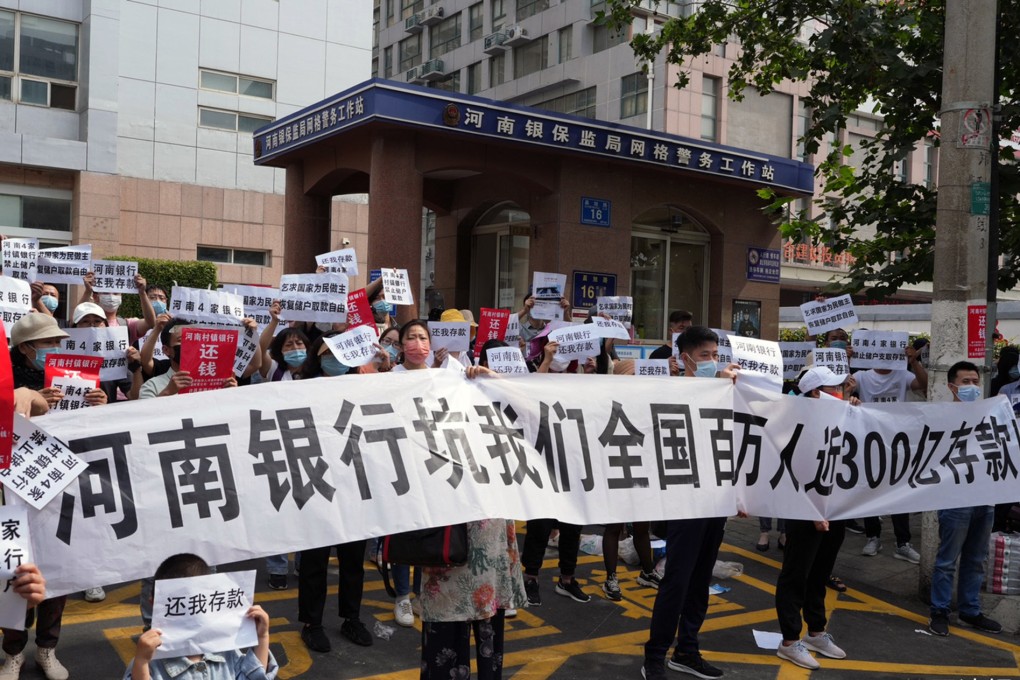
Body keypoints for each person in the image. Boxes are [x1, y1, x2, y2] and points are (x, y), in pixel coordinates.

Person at [643, 326, 738, 680]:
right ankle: (655, 654)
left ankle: (687, 650)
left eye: (716, 355)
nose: (713, 361)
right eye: (705, 356)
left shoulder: (725, 391)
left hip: (715, 499)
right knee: (677, 581)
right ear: (685, 359)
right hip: (684, 501)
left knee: (700, 580)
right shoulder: (671, 391)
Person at [297, 333, 374, 652]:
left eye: (341, 353)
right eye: (328, 353)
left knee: (352, 560)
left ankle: (351, 618)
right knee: (315, 560)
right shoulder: (301, 388)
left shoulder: (363, 385)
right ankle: (311, 623)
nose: (335, 358)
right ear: (317, 356)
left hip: (354, 483)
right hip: (318, 482)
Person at [774, 366, 853, 670]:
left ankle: (816, 631)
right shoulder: (798, 423)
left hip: (835, 509)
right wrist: (812, 511)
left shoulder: (840, 417)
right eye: (834, 388)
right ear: (816, 393)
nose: (841, 392)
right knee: (796, 573)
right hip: (806, 510)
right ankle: (790, 640)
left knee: (820, 573)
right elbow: (792, 473)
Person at [928, 361, 1002, 637]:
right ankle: (939, 611)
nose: (973, 387)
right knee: (947, 560)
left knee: (976, 557)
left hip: (985, 496)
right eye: (966, 382)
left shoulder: (992, 414)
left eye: (975, 381)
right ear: (952, 386)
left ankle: (971, 610)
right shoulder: (940, 418)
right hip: (955, 498)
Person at [126, 554, 276, 680]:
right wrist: (142, 662)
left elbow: (254, 677)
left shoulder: (226, 651)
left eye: (196, 603)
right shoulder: (151, 661)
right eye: (180, 605)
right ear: (154, 604)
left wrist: (262, 637)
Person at [854, 342, 927, 562]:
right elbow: (840, 387)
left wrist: (914, 362)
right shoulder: (862, 376)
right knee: (870, 489)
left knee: (898, 491)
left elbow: (924, 385)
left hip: (897, 442)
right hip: (870, 441)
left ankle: (902, 543)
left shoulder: (902, 375)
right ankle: (872, 536)